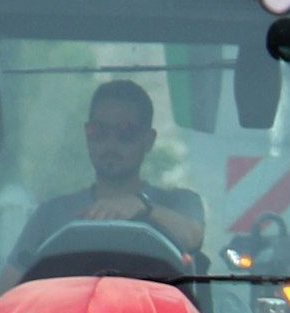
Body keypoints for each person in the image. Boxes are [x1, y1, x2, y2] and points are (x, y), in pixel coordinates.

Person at [13, 79, 205, 273]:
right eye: (98, 131)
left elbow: (193, 236)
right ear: (87, 135)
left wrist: (141, 207)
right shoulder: (50, 215)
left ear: (148, 140)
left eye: (126, 133)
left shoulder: (179, 204)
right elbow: (3, 297)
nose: (110, 144)